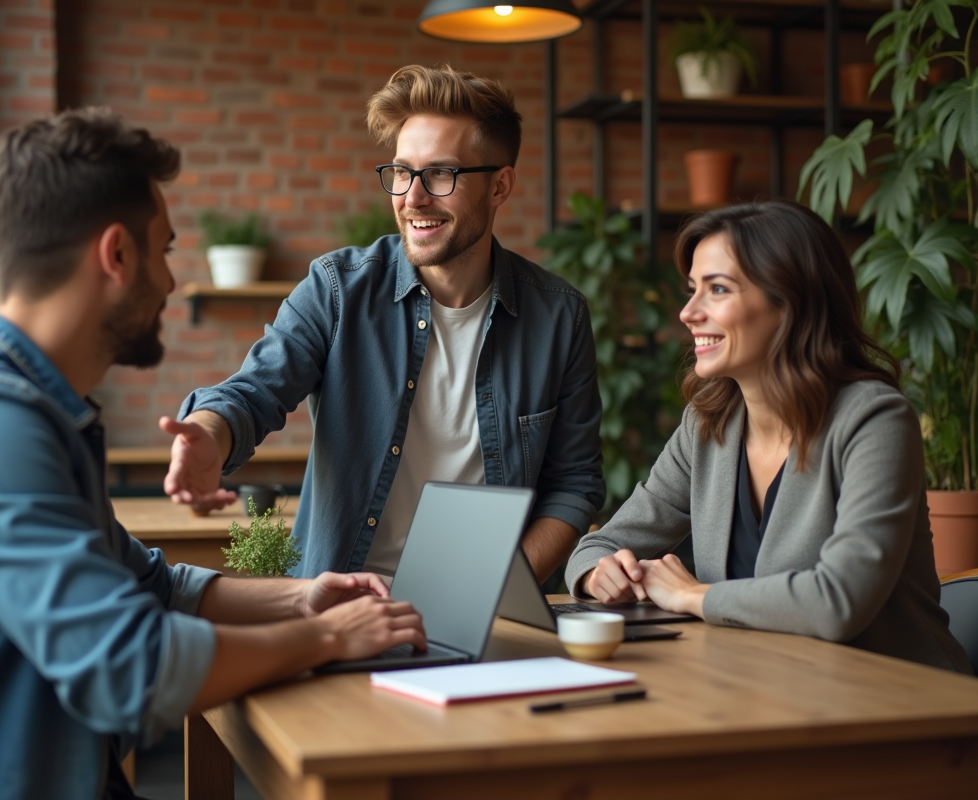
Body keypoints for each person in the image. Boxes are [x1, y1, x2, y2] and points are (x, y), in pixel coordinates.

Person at [0, 109, 427, 800]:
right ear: (116, 255)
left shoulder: (32, 410)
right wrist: (327, 639)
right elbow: (130, 667)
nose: (171, 281)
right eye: (165, 250)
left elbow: (153, 587)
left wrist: (302, 601)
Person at [165, 64, 604, 582]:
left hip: (485, 614)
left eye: (442, 174)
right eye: (401, 172)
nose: (412, 197)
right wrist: (207, 435)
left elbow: (574, 483)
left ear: (499, 186)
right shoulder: (336, 289)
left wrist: (498, 589)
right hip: (343, 605)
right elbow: (253, 392)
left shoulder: (559, 317)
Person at [564, 200, 971, 673]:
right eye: (692, 289)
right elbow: (600, 544)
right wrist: (600, 574)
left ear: (788, 303)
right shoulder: (708, 424)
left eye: (717, 289)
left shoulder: (874, 421)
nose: (688, 312)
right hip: (765, 687)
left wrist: (694, 594)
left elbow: (839, 601)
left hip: (901, 706)